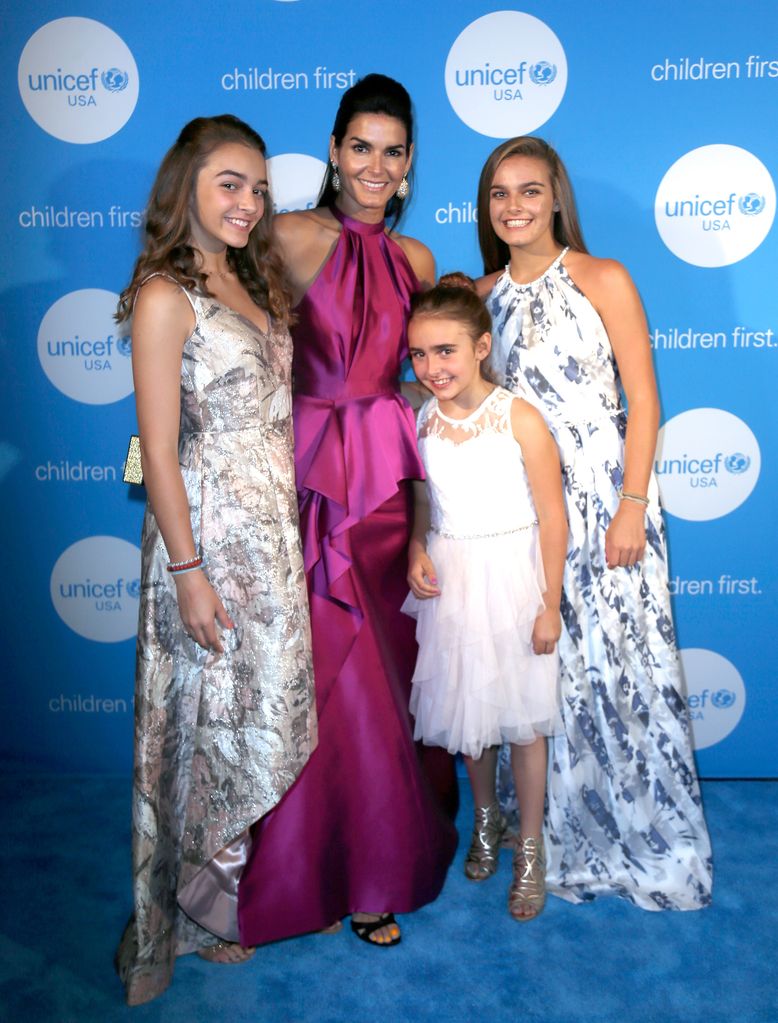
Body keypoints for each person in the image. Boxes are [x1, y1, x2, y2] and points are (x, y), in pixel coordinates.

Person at [237, 74, 457, 949]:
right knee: (326, 670)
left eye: (392, 151)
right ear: (333, 152)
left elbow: (420, 374)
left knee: (384, 675)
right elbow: (228, 334)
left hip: (389, 484)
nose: (374, 164)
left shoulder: (418, 263)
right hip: (306, 474)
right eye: (359, 146)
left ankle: (376, 859)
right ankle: (305, 862)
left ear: (408, 168)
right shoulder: (288, 234)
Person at [476, 136, 713, 910]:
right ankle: (554, 831)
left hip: (612, 501)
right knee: (553, 674)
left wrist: (632, 505)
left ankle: (646, 830)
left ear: (556, 198)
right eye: (499, 194)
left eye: (529, 191)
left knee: (625, 669)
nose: (514, 207)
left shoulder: (603, 277)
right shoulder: (481, 298)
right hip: (529, 512)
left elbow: (643, 400)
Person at [114, 115, 316, 1005]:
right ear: (187, 182)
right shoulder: (167, 295)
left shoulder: (251, 279)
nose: (248, 202)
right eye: (230, 182)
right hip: (205, 540)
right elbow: (157, 448)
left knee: (251, 719)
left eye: (259, 187)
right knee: (198, 717)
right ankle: (180, 915)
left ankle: (217, 892)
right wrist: (188, 570)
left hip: (271, 536)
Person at [402, 278, 567, 921]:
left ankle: (531, 847)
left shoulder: (517, 416)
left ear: (480, 346)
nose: (432, 367)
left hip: (515, 575)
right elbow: (421, 498)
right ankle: (487, 820)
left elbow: (553, 518)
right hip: (452, 576)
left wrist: (548, 603)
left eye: (445, 351)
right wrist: (418, 545)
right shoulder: (419, 418)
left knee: (523, 722)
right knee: (469, 715)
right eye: (418, 355)